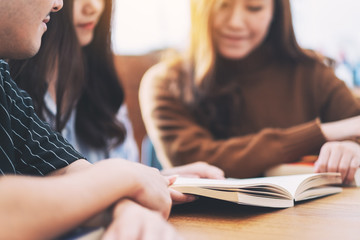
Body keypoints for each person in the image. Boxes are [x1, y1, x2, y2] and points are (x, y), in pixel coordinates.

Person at [0, 0, 220, 239]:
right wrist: (122, 179)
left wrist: (127, 199)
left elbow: (65, 168)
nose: (58, 4)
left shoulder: (5, 87)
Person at [139, 0, 360, 184]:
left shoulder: (310, 71)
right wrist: (322, 133)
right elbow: (198, 162)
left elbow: (355, 125)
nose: (235, 22)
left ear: (275, 11)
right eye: (222, 5)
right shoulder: (165, 82)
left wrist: (351, 147)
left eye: (254, 7)